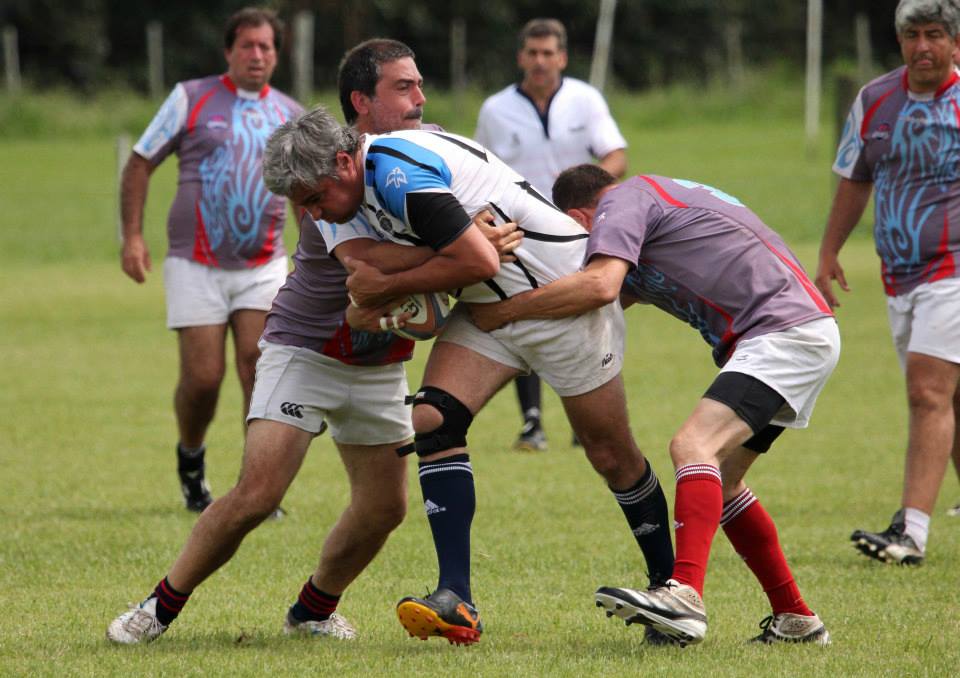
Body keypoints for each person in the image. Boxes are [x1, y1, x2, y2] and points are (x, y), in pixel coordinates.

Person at [106, 38, 512, 645]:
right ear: (362, 105)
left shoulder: (417, 162)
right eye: (402, 89)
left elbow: (450, 241)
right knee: (257, 493)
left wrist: (465, 235)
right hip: (307, 349)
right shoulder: (329, 194)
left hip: (380, 364)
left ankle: (313, 609)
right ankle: (157, 607)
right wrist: (463, 241)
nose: (418, 101)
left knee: (384, 509)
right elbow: (372, 274)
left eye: (417, 87)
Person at [262, 110, 676, 646]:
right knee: (433, 418)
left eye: (315, 198)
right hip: (485, 312)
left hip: (556, 295)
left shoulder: (395, 171)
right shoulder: (331, 197)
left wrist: (418, 271)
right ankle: (456, 598)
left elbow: (474, 262)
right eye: (303, 204)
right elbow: (364, 282)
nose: (313, 213)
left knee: (610, 454)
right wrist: (443, 257)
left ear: (344, 162)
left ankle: (670, 590)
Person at [469, 165, 840, 646]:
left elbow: (598, 285)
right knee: (722, 483)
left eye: (577, 235)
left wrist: (503, 313)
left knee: (692, 447)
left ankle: (684, 594)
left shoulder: (622, 201)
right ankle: (796, 619)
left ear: (582, 216)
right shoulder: (651, 210)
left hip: (782, 333)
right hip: (793, 331)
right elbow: (593, 302)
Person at [119, 7, 302, 513]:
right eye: (248, 45)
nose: (257, 55)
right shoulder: (191, 98)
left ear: (277, 55)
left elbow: (309, 192)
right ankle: (191, 460)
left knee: (258, 367)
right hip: (195, 262)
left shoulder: (289, 113)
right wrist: (132, 236)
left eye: (266, 47)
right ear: (229, 51)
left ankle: (256, 487)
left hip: (263, 263)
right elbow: (139, 163)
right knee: (203, 379)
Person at [815, 0, 960, 564]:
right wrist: (828, 252)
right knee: (949, 399)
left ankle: (911, 533)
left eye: (934, 35)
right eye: (911, 36)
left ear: (954, 43)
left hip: (953, 266)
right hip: (898, 275)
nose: (922, 46)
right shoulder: (875, 100)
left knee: (926, 393)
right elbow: (855, 179)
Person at [475, 18, 628, 452]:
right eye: (533, 53)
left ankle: (586, 418)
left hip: (579, 228)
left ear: (561, 56)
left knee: (587, 312)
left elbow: (616, 154)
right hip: (521, 232)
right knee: (528, 315)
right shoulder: (495, 109)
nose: (541, 61)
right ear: (521, 57)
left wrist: (590, 185)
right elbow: (481, 169)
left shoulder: (585, 99)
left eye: (549, 53)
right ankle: (532, 421)